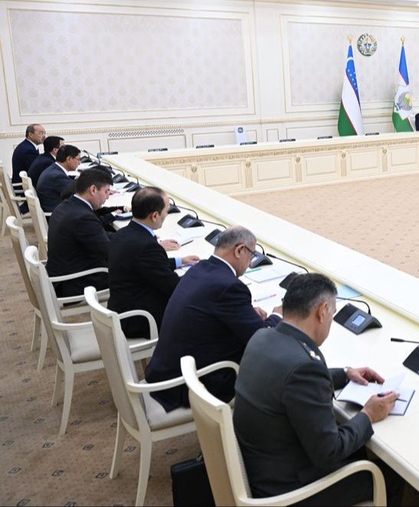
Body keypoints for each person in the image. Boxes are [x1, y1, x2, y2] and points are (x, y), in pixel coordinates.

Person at [235, 273, 401, 504]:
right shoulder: (304, 368)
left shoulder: (262, 337)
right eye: (332, 314)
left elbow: (286, 380)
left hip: (264, 467)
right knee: (389, 475)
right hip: (288, 491)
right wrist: (368, 414)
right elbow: (330, 452)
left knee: (358, 448)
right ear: (322, 311)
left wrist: (344, 374)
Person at [145, 226, 283, 411]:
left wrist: (246, 313)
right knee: (270, 360)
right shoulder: (230, 287)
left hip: (166, 371)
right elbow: (262, 339)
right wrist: (277, 315)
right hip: (189, 386)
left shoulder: (199, 268)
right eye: (251, 255)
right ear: (239, 250)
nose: (250, 263)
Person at [108, 187, 200, 340]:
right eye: (166, 210)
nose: (167, 214)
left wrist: (180, 261)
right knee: (200, 312)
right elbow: (174, 287)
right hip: (140, 319)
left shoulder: (124, 233)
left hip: (122, 308)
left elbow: (146, 265)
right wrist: (200, 274)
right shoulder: (146, 246)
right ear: (155, 216)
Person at [45, 167, 114, 297]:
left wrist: (124, 236)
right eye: (106, 192)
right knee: (134, 273)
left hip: (63, 275)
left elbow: (98, 237)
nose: (107, 197)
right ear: (93, 190)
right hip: (73, 283)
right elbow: (108, 252)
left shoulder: (67, 205)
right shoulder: (82, 217)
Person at [36, 144, 82, 213]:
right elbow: (76, 193)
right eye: (78, 159)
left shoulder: (54, 168)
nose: (79, 163)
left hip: (53, 207)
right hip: (58, 212)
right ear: (69, 159)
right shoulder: (57, 176)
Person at [11, 123, 45, 190]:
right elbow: (35, 172)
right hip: (24, 188)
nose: (44, 136)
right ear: (30, 134)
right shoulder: (28, 150)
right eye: (41, 133)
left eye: (44, 133)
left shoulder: (27, 146)